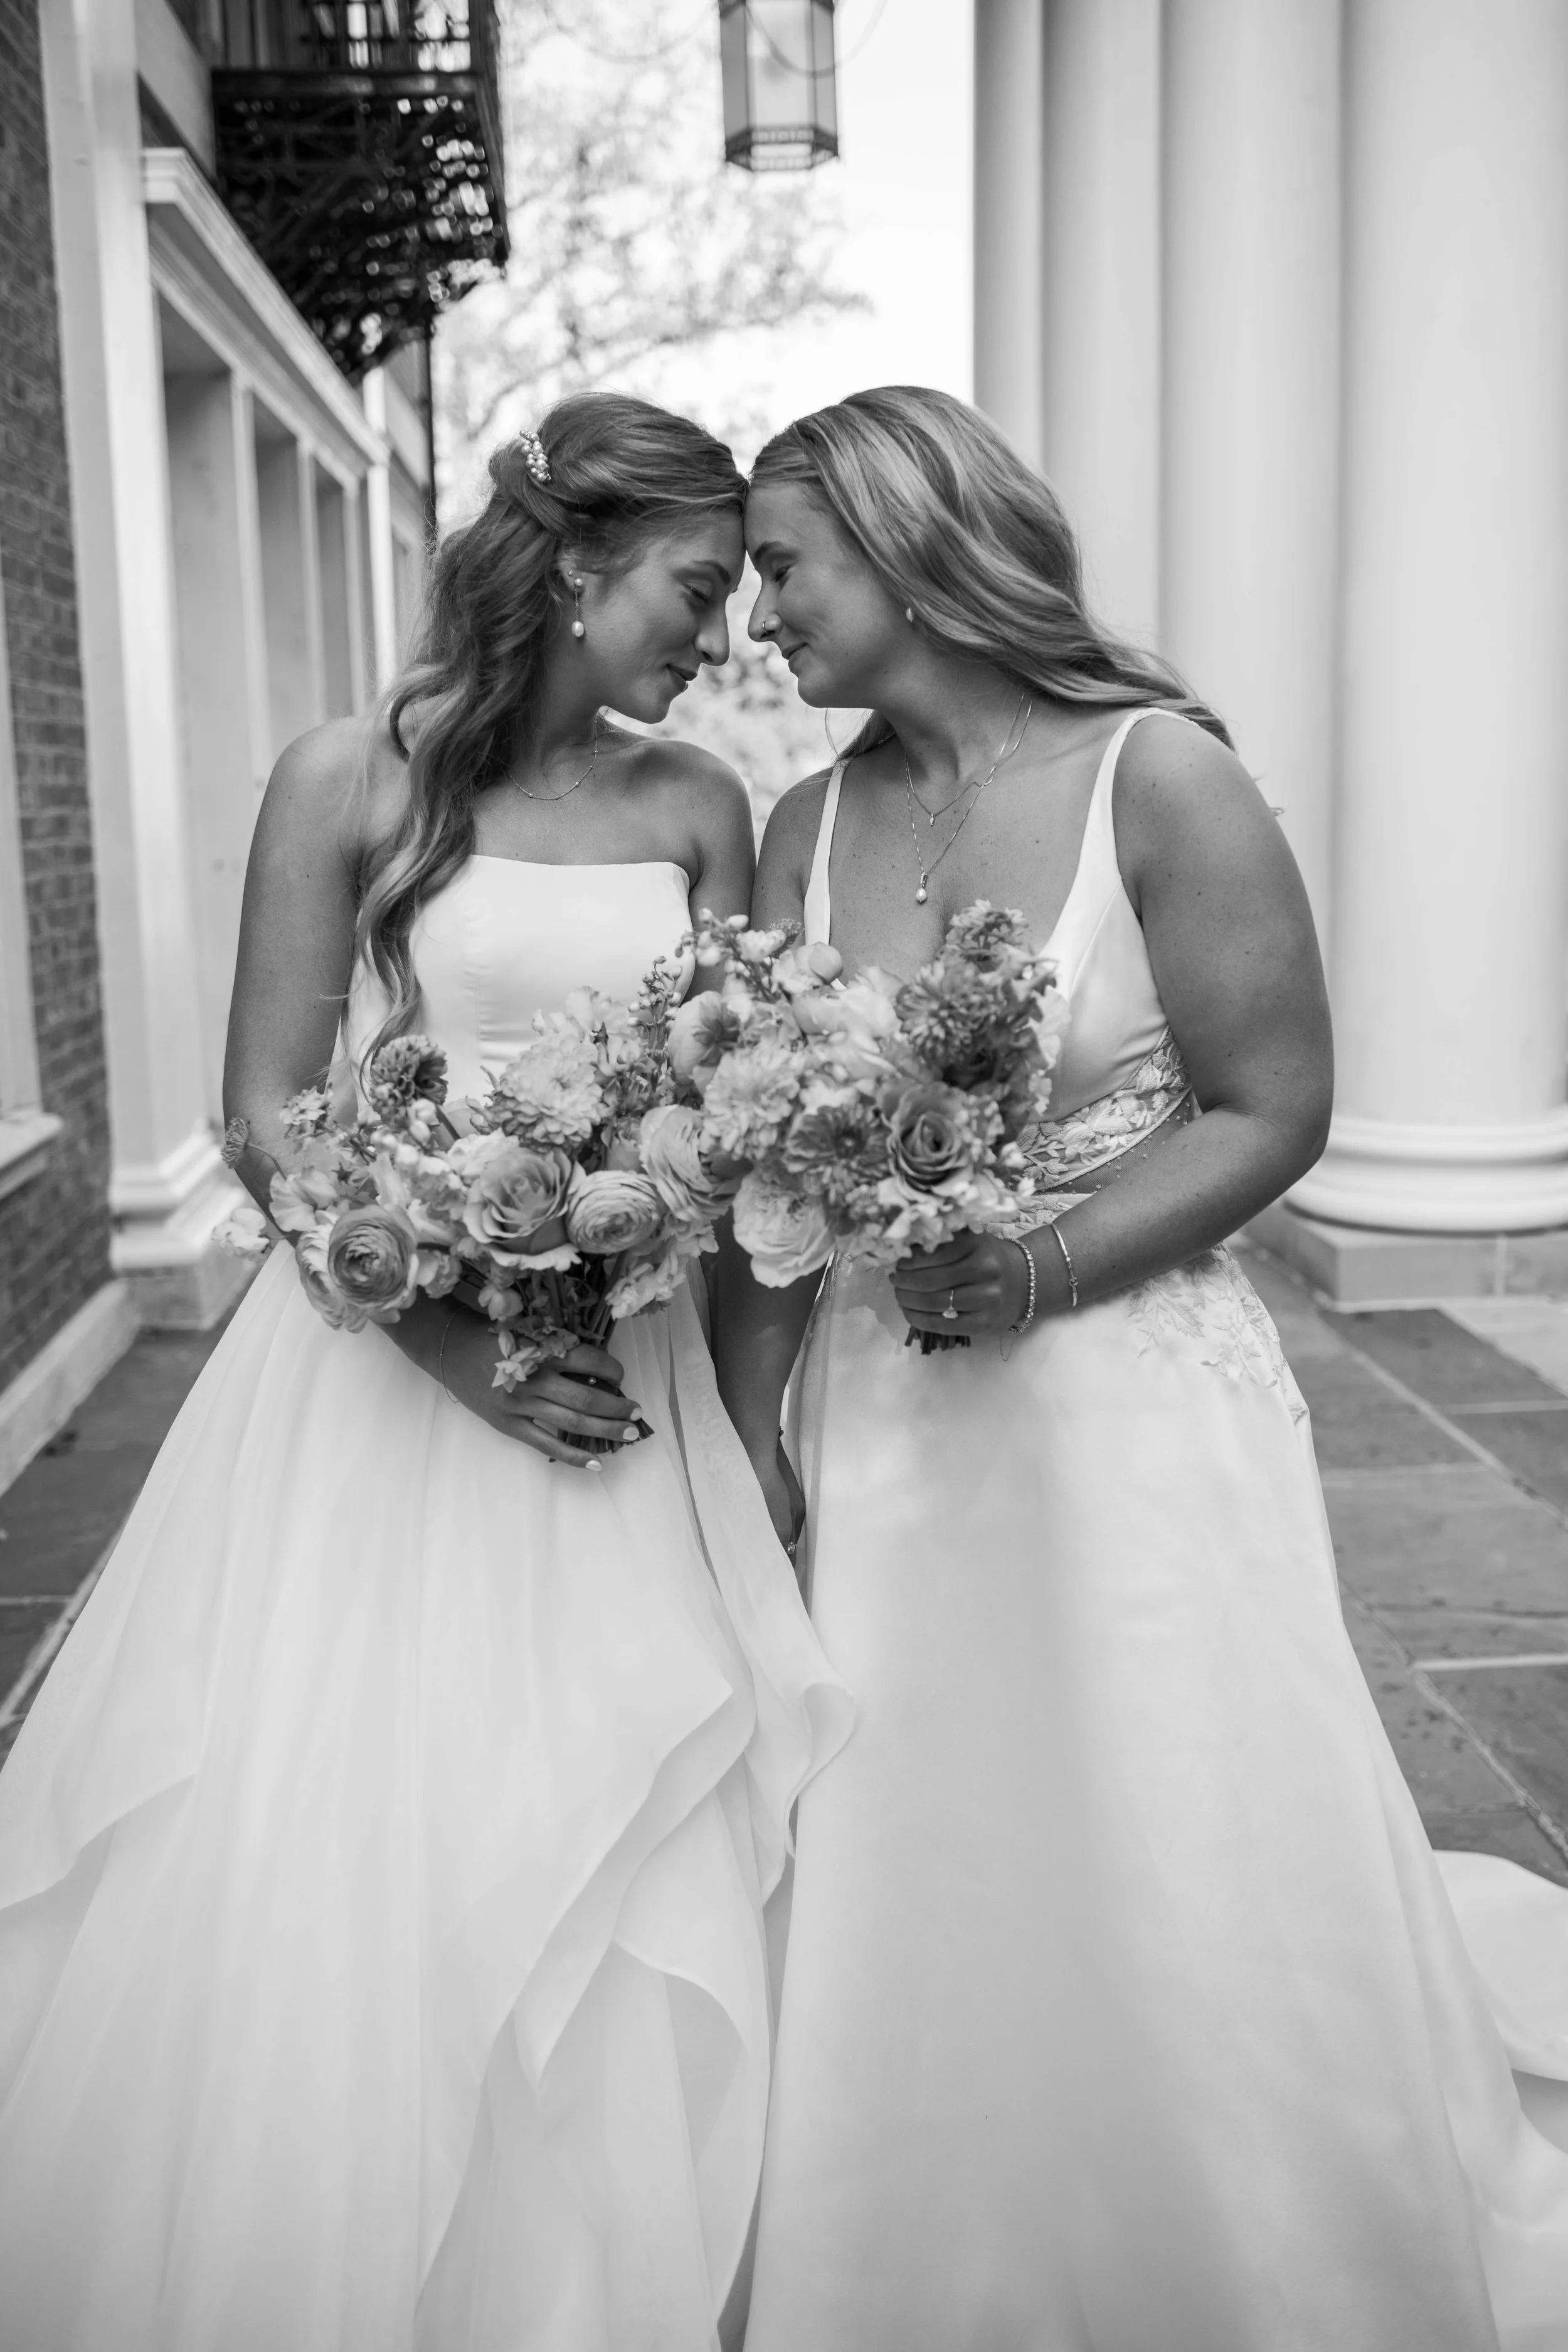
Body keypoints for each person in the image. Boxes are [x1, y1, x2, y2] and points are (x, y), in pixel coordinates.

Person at [717, 386, 1568, 2350]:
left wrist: (1035, 1266)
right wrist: (750, 1429)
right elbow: (762, 1151)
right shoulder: (798, 826)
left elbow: (1272, 1106)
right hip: (881, 1424)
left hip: (1127, 1405)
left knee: (1171, 1805)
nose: (759, 618)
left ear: (909, 544)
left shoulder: (1158, 779)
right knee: (909, 1821)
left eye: (782, 568)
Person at [0, 392, 847, 2352]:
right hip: (394, 1375)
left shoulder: (698, 803)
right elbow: (265, 1110)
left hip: (633, 1373)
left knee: (637, 1804)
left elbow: (736, 1115)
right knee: (354, 1834)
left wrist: (753, 1425)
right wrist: (459, 1349)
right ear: (576, 564)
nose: (719, 636)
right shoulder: (346, 779)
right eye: (696, 586)